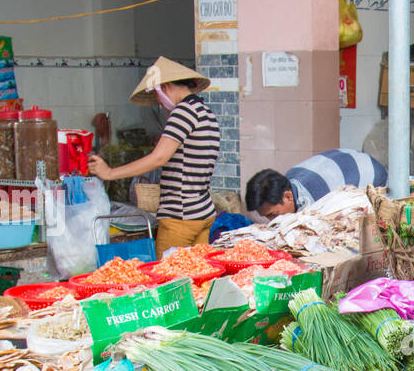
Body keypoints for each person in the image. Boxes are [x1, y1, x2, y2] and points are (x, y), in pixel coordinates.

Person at [88, 57, 219, 257]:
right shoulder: (205, 112)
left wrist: (110, 173)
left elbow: (159, 158)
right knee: (198, 278)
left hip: (180, 217)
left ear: (164, 87)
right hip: (203, 212)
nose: (159, 103)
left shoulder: (182, 112)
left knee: (169, 281)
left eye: (157, 96)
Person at [244, 149, 387, 220]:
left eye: (273, 215)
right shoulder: (288, 181)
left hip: (371, 173)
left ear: (288, 196)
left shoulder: (313, 201)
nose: (271, 221)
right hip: (347, 163)